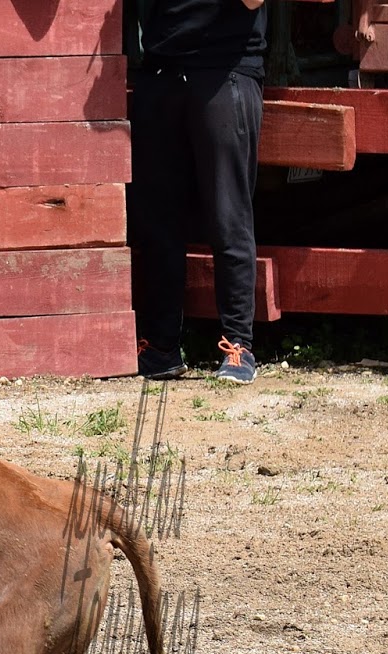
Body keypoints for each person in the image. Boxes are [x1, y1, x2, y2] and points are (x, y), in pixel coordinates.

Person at [128, 0, 267, 385]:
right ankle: (160, 347)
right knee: (157, 219)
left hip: (225, 69)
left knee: (228, 215)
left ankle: (238, 345)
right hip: (161, 68)